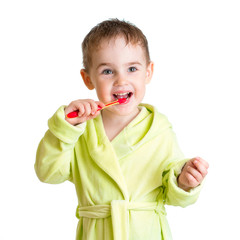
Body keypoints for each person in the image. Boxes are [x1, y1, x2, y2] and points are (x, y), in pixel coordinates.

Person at [35, 19, 209, 240]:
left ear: (148, 72)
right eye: (107, 71)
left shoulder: (159, 130)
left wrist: (183, 182)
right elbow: (48, 173)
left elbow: (173, 195)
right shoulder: (81, 129)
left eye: (132, 69)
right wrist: (66, 128)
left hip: (146, 233)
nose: (121, 80)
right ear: (88, 79)